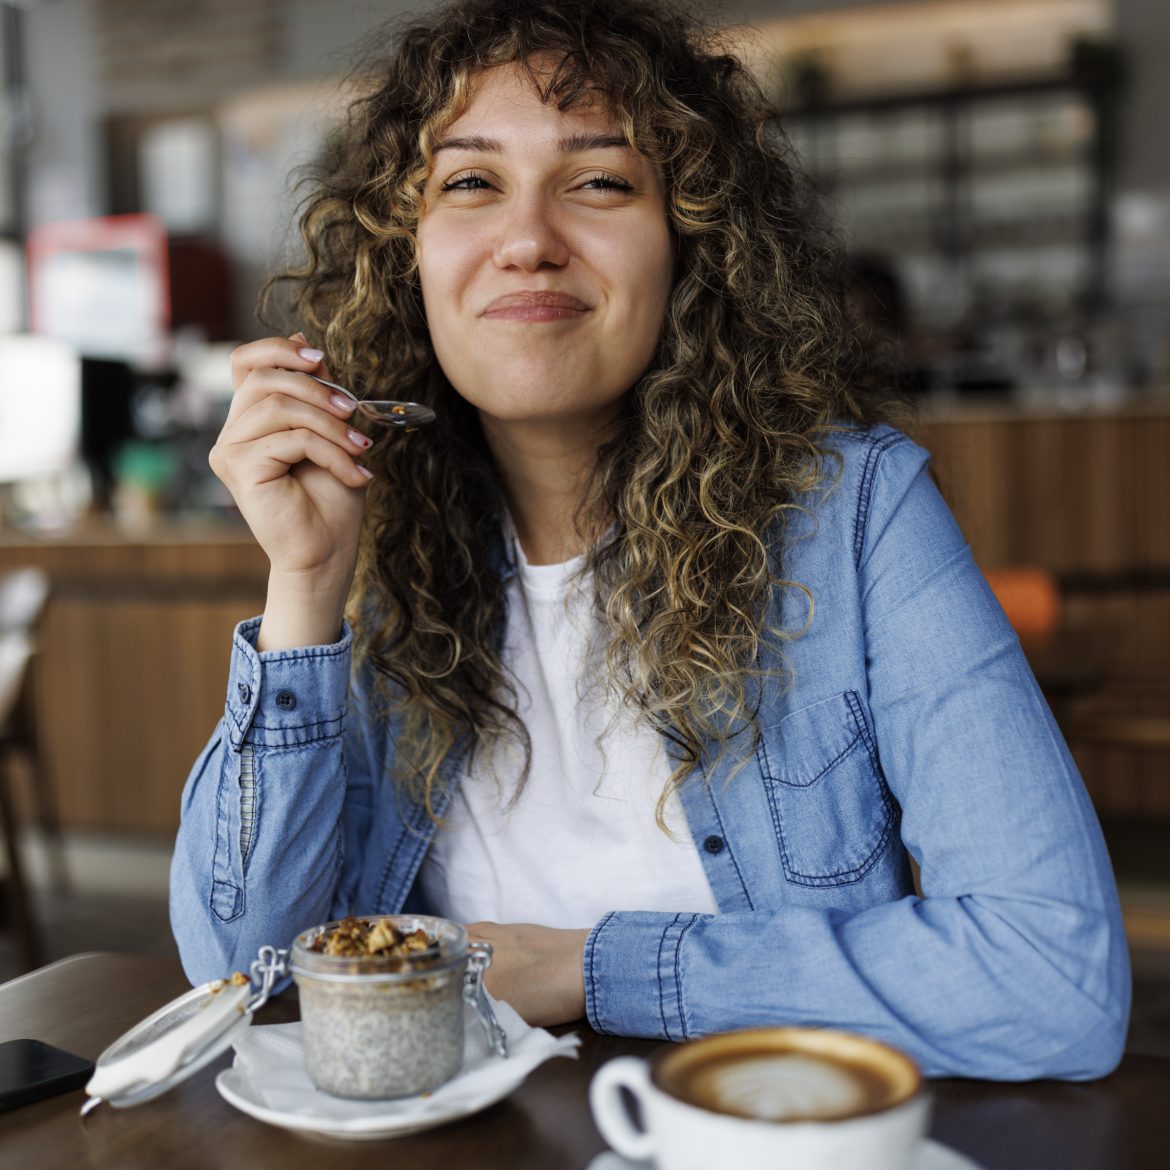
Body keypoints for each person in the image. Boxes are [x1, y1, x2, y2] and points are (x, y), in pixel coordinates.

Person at [170, 0, 1130, 1080]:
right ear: (409, 258)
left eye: (600, 181)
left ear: (693, 242)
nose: (529, 240)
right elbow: (242, 980)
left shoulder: (854, 518)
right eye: (472, 183)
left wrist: (597, 968)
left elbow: (1056, 981)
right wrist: (304, 588)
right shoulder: (375, 546)